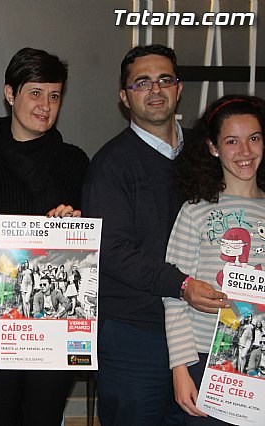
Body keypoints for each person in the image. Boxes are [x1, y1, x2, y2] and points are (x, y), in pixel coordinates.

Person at [82, 44, 229, 425]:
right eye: (142, 82)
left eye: (165, 80)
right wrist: (181, 284)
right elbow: (111, 250)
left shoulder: (208, 152)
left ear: (179, 89)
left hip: (203, 330)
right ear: (124, 96)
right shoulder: (110, 165)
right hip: (135, 334)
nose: (155, 89)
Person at [0, 47, 88, 426]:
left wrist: (75, 226)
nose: (45, 105)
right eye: (35, 93)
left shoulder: (75, 163)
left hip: (56, 327)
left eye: (55, 95)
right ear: (10, 94)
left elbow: (92, 249)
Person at [163, 94, 265, 423]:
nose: (245, 151)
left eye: (254, 138)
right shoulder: (196, 211)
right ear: (213, 147)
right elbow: (174, 297)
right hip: (205, 359)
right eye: (232, 141)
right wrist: (180, 369)